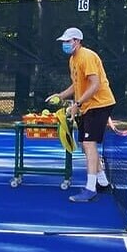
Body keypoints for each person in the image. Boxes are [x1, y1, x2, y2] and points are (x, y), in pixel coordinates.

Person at [46, 27, 115, 203]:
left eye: (68, 42)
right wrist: (60, 96)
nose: (65, 44)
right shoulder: (73, 60)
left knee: (89, 145)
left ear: (77, 41)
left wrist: (77, 104)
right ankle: (103, 183)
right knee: (86, 145)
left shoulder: (87, 56)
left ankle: (90, 189)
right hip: (88, 106)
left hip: (99, 104)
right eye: (64, 42)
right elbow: (77, 85)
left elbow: (95, 85)